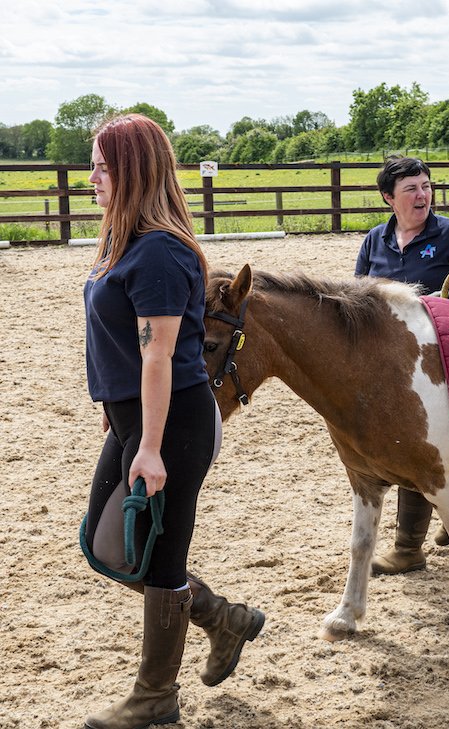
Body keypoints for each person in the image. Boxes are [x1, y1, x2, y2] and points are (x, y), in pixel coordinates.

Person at [81, 114, 264, 729]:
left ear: (134, 171)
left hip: (175, 422)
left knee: (157, 555)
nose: (92, 177)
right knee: (108, 547)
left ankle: (155, 695)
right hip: (136, 416)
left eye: (103, 166)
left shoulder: (159, 251)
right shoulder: (124, 240)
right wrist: (119, 414)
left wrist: (151, 445)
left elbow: (158, 354)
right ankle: (222, 618)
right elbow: (127, 350)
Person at [355, 155, 449, 576]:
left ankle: (408, 549)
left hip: (439, 358)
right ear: (388, 198)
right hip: (386, 361)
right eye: (411, 188)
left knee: (412, 443)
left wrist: (448, 305)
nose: (422, 194)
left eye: (426, 186)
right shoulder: (375, 240)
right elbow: (360, 298)